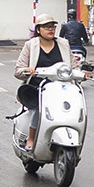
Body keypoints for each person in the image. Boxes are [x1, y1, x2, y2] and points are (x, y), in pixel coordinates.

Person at [14, 15, 73, 149]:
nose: (50, 29)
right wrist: (27, 70)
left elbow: (73, 66)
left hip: (61, 88)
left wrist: (82, 73)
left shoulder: (63, 44)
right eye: (46, 27)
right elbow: (18, 70)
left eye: (52, 27)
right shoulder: (31, 45)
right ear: (38, 30)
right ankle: (31, 138)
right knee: (39, 108)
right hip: (37, 88)